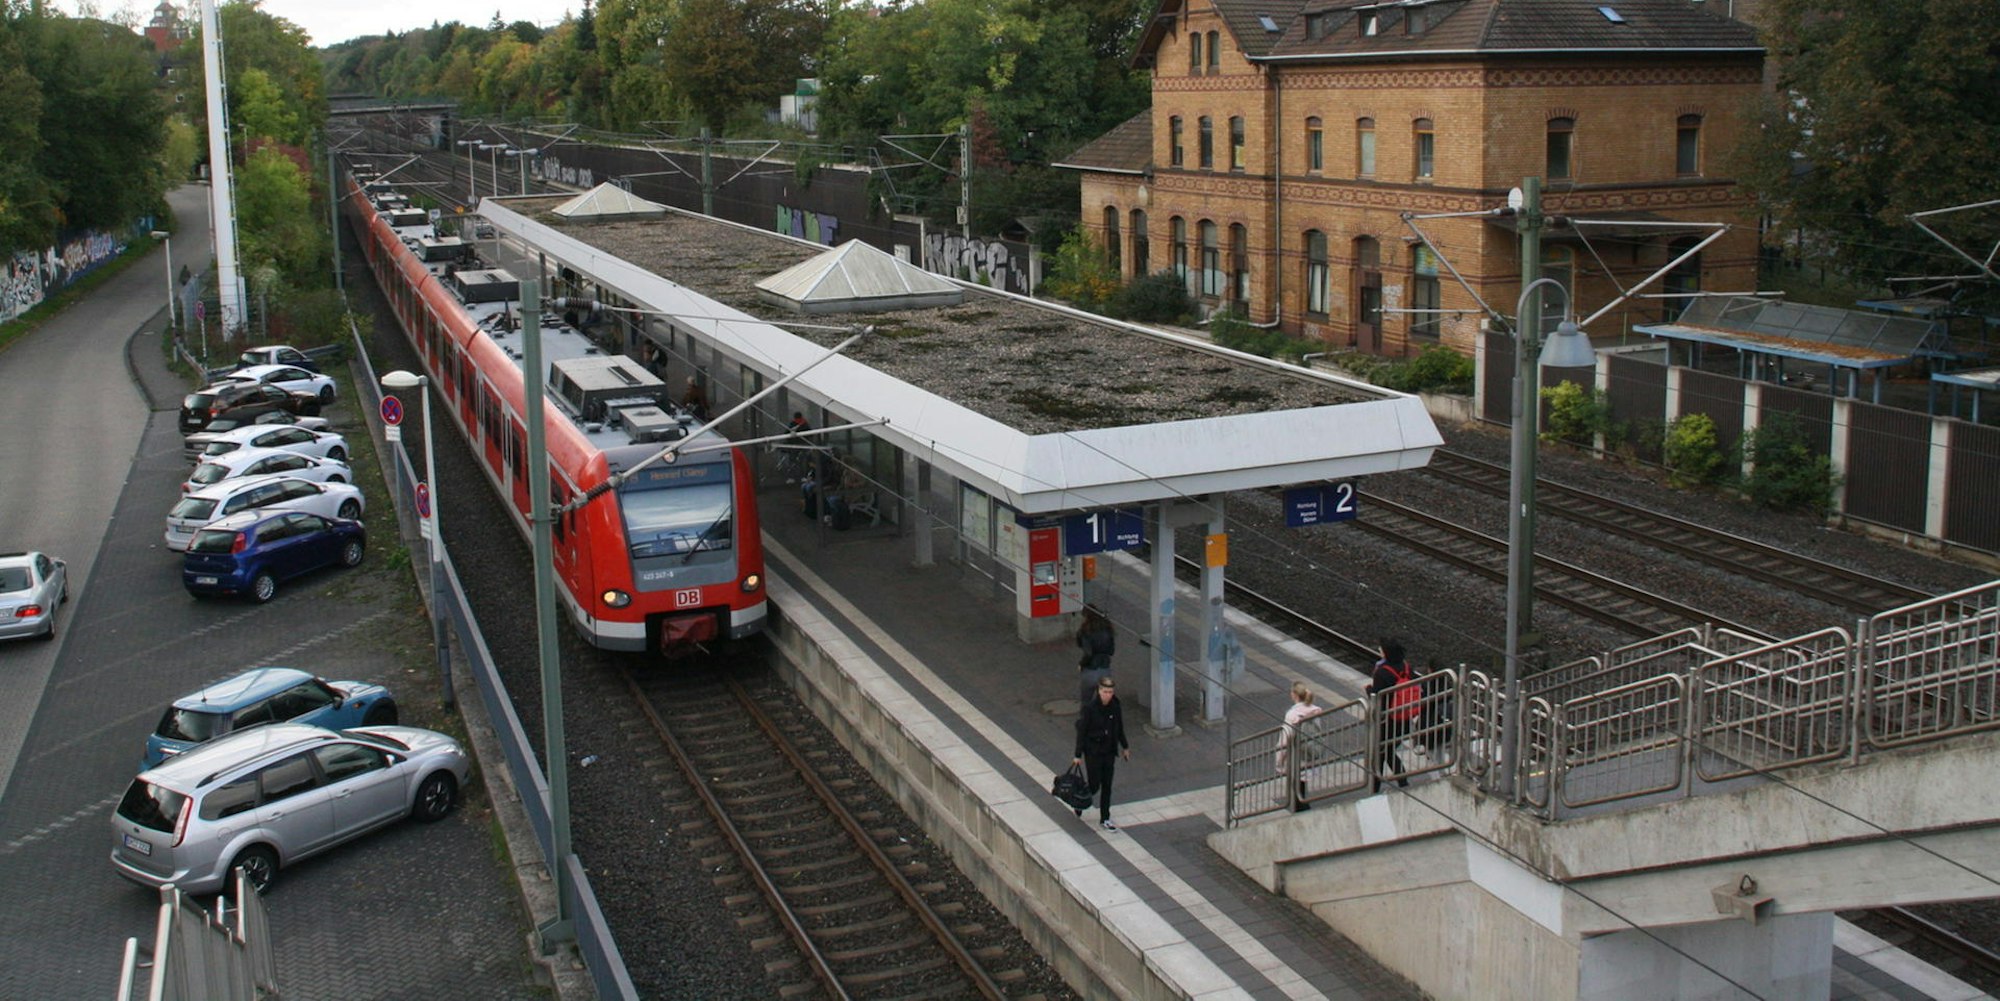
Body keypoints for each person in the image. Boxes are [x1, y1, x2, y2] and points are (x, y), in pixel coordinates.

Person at [1072, 677, 1130, 831]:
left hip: (1109, 751)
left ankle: (1105, 817)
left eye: (1110, 692)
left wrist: (1125, 746)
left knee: (1107, 785)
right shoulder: (1090, 708)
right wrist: (1077, 755)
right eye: (1105, 691)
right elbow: (1082, 732)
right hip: (1093, 752)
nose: (1107, 695)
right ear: (1099, 691)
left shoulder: (1115, 706)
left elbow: (1119, 727)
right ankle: (1080, 801)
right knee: (1094, 784)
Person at [1367, 639, 1416, 794]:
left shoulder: (1382, 672)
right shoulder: (1407, 667)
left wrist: (1368, 690)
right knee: (1386, 751)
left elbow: (1376, 695)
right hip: (1405, 718)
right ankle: (1401, 782)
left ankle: (1376, 787)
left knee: (1380, 751)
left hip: (1387, 720)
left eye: (1381, 650)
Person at [1276, 681, 1324, 812]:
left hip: (1295, 754)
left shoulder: (1292, 715)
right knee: (1302, 780)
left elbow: (1285, 738)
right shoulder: (1315, 710)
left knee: (1294, 781)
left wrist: (1280, 759)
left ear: (1295, 695)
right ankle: (1302, 803)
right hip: (1309, 751)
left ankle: (1300, 807)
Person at [1074, 606, 1115, 706]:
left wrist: (1081, 664)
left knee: (1086, 701)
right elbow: (1111, 651)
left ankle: (1087, 720)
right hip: (1105, 668)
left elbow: (1088, 653)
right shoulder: (1108, 630)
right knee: (1104, 702)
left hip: (1091, 669)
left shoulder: (1086, 631)